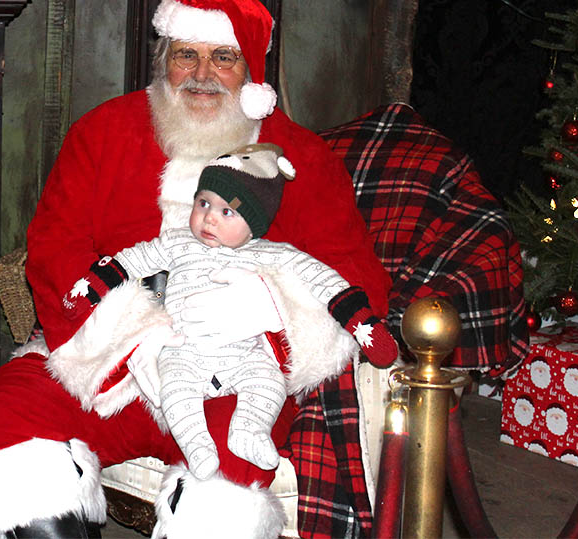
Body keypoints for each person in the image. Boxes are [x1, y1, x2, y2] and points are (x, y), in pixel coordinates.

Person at [0, 0, 394, 538]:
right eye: (185, 54)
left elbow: (354, 278)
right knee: (6, 412)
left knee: (231, 475)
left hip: (231, 379)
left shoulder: (303, 159)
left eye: (224, 57)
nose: (202, 73)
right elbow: (54, 247)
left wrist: (269, 310)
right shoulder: (102, 132)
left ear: (252, 73)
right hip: (108, 369)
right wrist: (131, 332)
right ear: (164, 60)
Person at [108, 144, 398, 482]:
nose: (209, 217)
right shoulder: (176, 242)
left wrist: (363, 324)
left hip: (244, 353)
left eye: (226, 211)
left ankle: (249, 429)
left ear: (254, 224)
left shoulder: (271, 253)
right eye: (203, 203)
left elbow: (324, 280)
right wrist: (92, 286)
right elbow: (133, 259)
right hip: (183, 349)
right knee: (173, 389)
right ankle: (196, 446)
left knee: (269, 380)